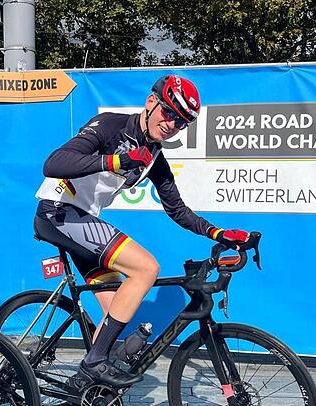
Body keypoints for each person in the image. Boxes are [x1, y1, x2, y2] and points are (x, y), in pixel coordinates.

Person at [34, 74, 249, 389]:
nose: (173, 123)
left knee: (114, 317)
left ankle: (87, 390)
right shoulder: (110, 125)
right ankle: (94, 364)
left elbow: (178, 210)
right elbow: (53, 164)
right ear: (151, 102)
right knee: (146, 268)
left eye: (182, 122)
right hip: (58, 211)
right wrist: (117, 160)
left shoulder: (154, 157)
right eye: (169, 112)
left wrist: (218, 233)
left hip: (80, 218)